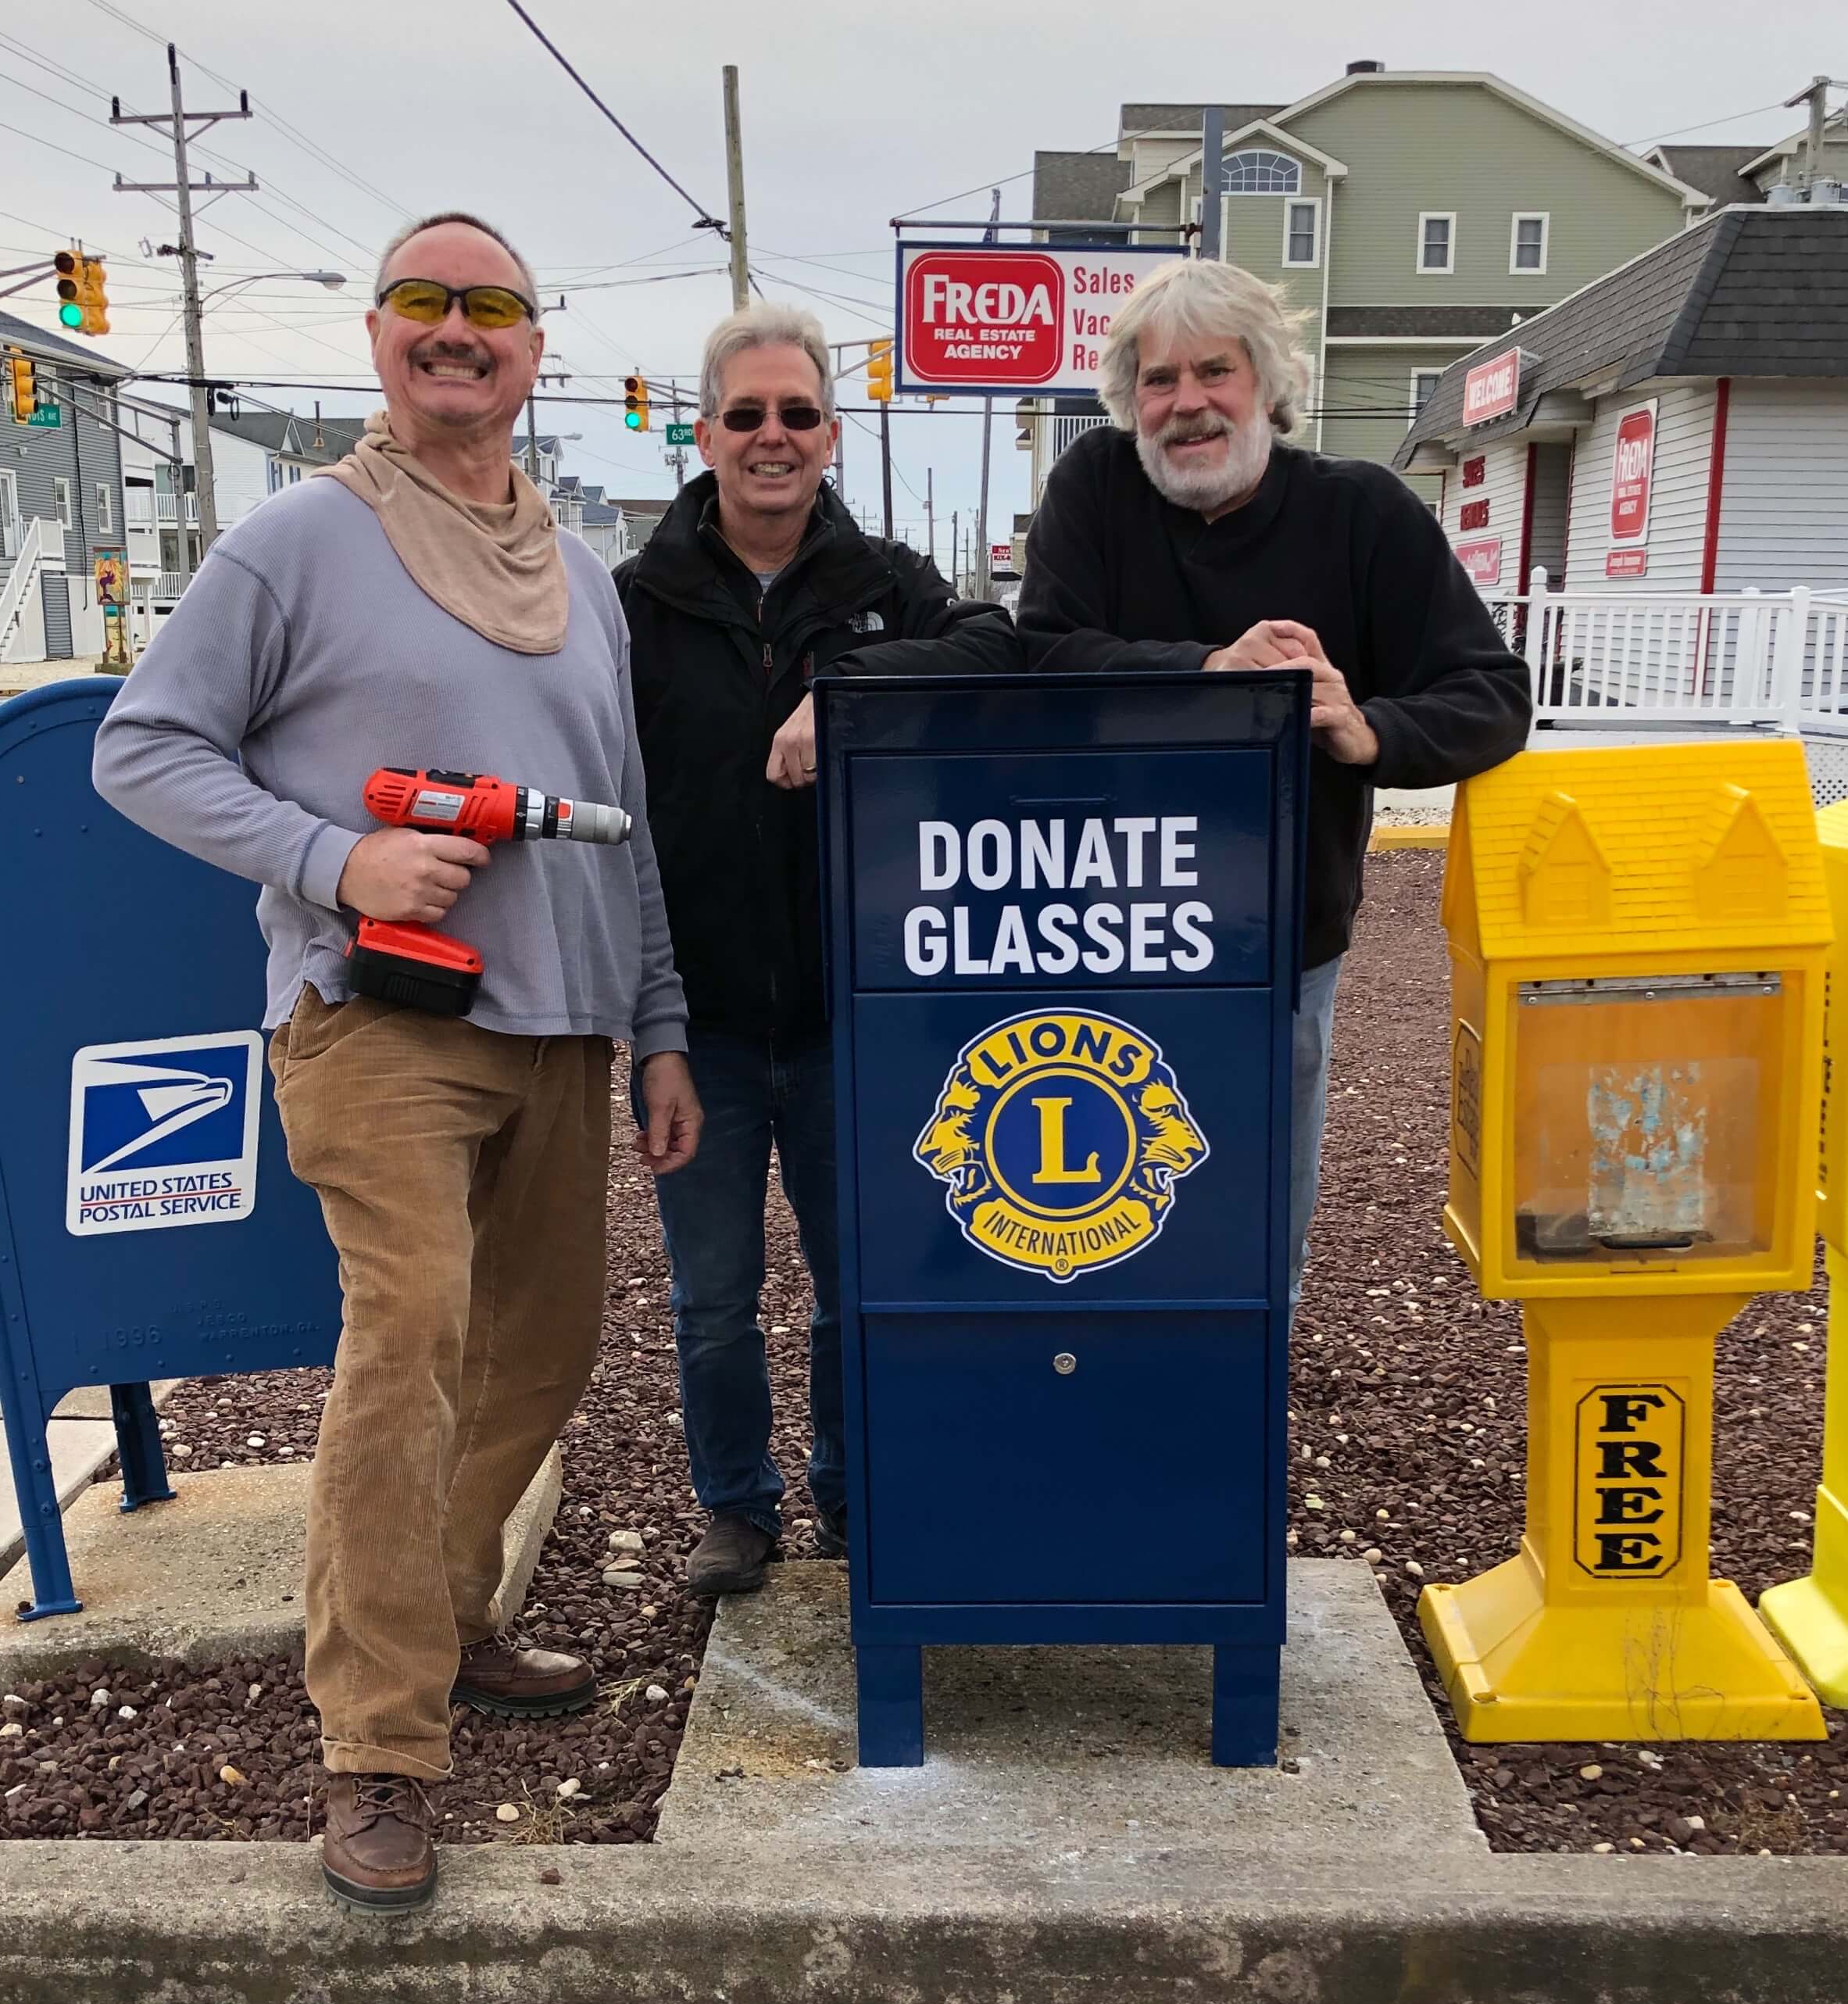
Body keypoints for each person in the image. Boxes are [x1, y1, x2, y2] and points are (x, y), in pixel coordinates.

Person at [92, 211, 699, 1915]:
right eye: (424, 302)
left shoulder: (581, 572)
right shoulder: (298, 539)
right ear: (377, 339)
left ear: (531, 346)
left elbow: (624, 831)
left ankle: (446, 1619)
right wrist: (333, 862)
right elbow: (142, 749)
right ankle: (375, 1748)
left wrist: (656, 1027)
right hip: (379, 1028)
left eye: (492, 306)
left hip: (564, 1027)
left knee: (541, 1351)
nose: (458, 330)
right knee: (412, 1330)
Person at [1017, 258, 1529, 1296]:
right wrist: (1214, 672)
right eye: (1158, 381)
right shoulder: (1093, 489)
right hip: (1095, 926)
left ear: (1267, 384)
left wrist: (1364, 728)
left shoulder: (1363, 513)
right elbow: (1040, 661)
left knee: (1253, 1224)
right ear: (1128, 401)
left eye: (1215, 371)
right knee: (1081, 1223)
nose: (1187, 403)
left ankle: (1239, 1417)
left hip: (1278, 936)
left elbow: (1489, 696)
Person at [617, 304, 1020, 1597]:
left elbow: (995, 646)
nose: (772, 437)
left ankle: (857, 1493)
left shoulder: (885, 586)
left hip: (863, 1023)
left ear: (831, 435)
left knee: (867, 1291)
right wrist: (653, 1030)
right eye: (747, 415)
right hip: (704, 1028)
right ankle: (736, 1505)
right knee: (713, 1300)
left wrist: (843, 693)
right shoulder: (634, 605)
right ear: (705, 434)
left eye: (796, 414)